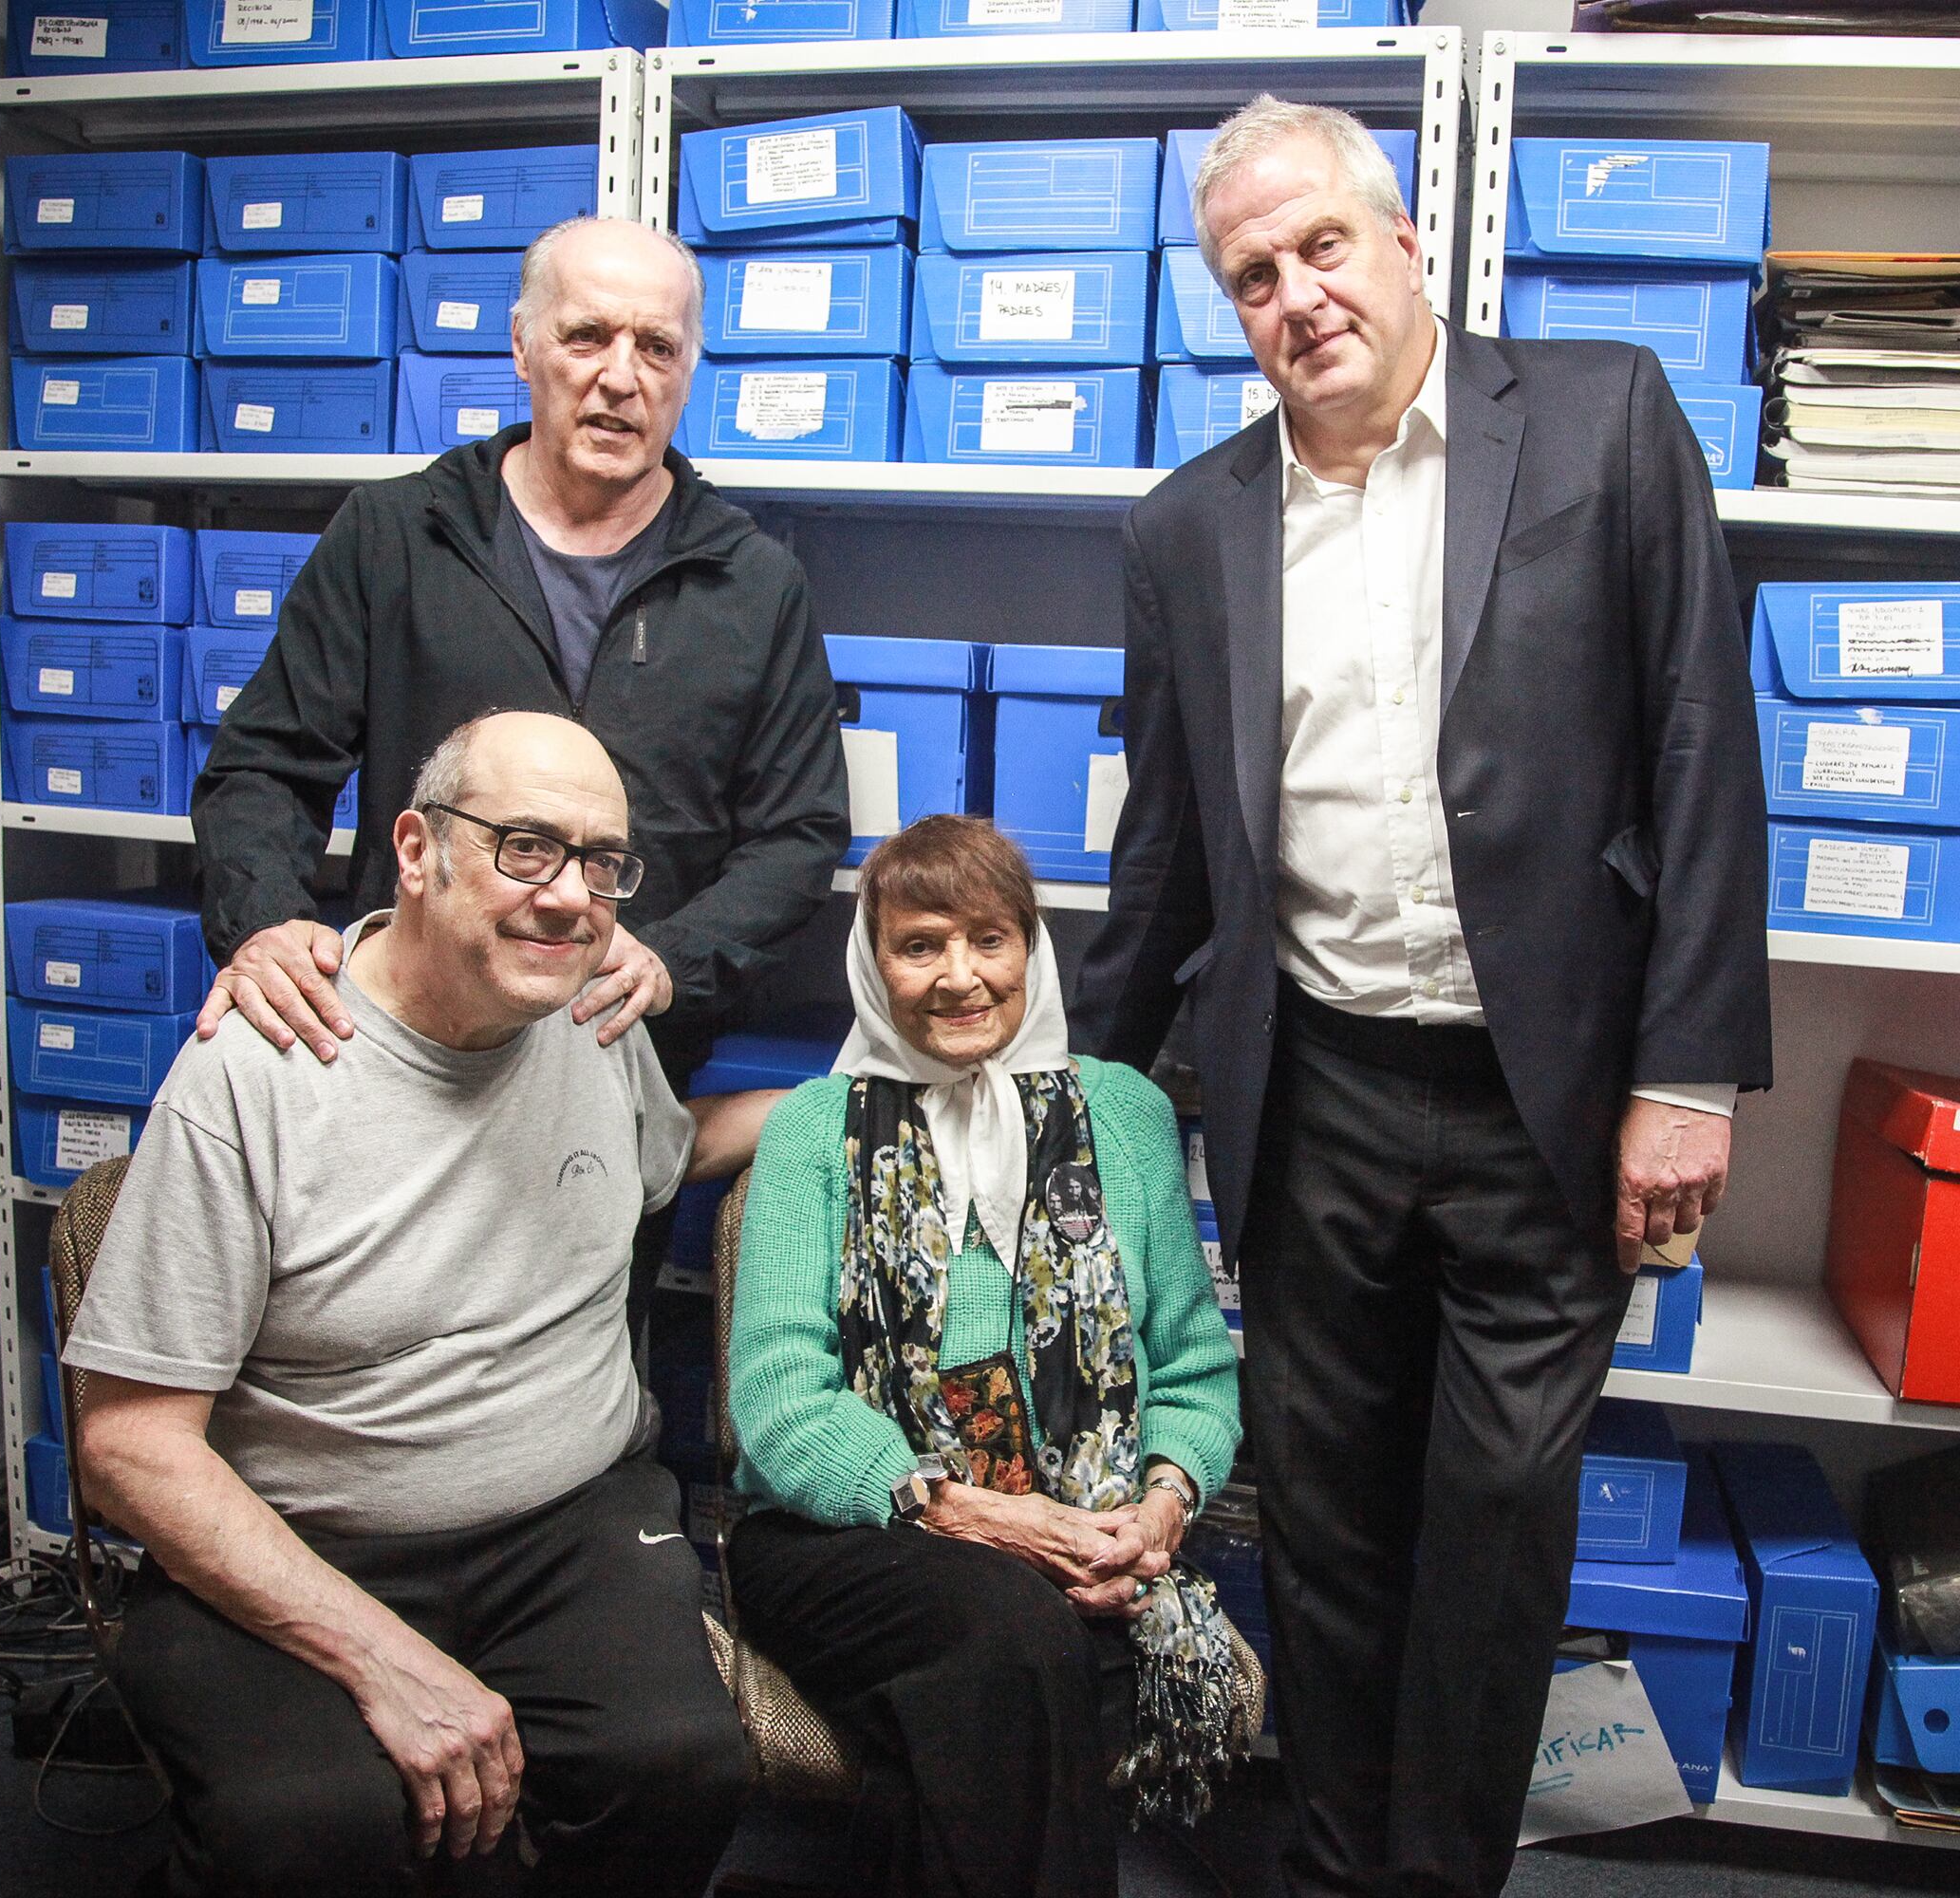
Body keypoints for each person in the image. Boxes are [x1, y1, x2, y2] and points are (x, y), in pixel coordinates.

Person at [1072, 98, 1773, 1898]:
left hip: (1551, 1094)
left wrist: (1686, 1074)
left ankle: (1440, 1874)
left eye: (1320, 247)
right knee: (1318, 1516)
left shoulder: (1604, 419)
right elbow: (1167, 853)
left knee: (1495, 1517)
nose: (1296, 296)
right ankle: (1328, 1866)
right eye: (1250, 276)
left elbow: (1702, 746)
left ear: (1405, 243)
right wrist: (1069, 1094)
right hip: (1314, 1091)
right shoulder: (1186, 533)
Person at [67, 711, 775, 1898]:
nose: (572, 896)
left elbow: (672, 1153)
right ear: (414, 848)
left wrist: (855, 1095)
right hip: (303, 1539)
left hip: (570, 1523)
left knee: (676, 1765)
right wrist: (384, 1659)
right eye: (526, 846)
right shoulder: (260, 1066)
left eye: (603, 861)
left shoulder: (592, 1019)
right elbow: (126, 1445)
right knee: (309, 1820)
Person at [190, 215, 848, 1083]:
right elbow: (264, 767)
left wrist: (671, 961)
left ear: (689, 372)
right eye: (586, 337)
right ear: (523, 346)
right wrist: (267, 923)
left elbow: (798, 832)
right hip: (394, 1045)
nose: (621, 377)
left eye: (656, 347)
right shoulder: (396, 537)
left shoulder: (756, 582)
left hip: (623, 1053)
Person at [725, 813, 1245, 1898]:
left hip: (1094, 1540)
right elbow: (779, 1399)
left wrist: (1154, 1514)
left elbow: (1195, 1369)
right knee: (1017, 1632)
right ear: (874, 960)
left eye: (989, 939)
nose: (958, 975)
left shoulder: (1126, 1116)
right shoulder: (816, 1128)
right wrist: (976, 1515)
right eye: (919, 944)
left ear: (1032, 952)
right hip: (846, 1535)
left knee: (1002, 1670)